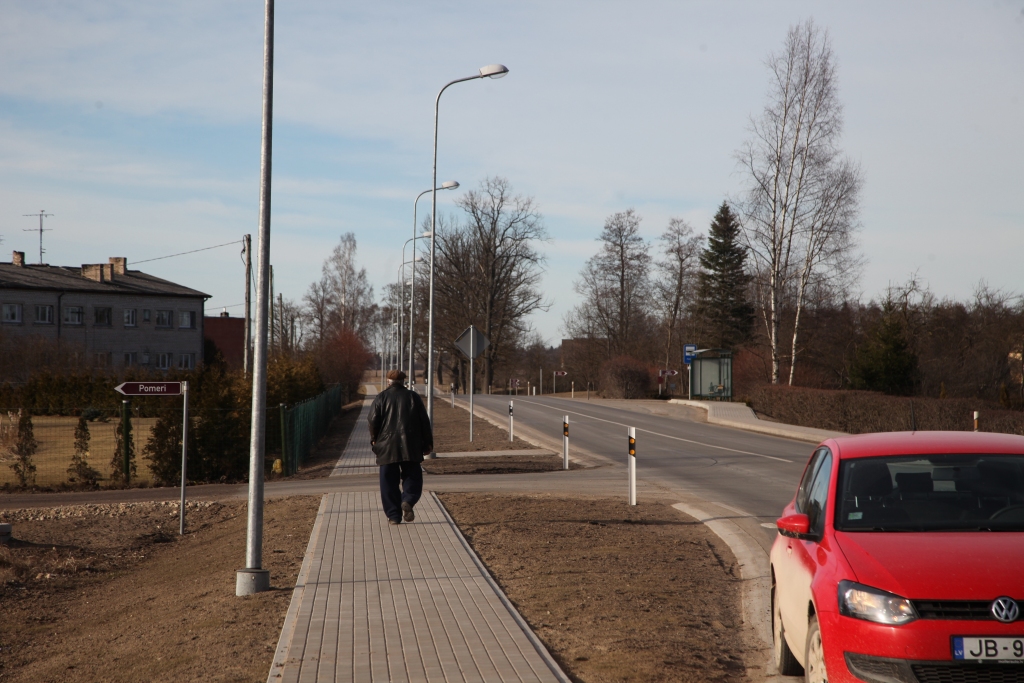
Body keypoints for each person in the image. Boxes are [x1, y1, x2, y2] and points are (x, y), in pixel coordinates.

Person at [367, 369, 433, 525]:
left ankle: (393, 516)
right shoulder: (413, 397)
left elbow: (372, 421)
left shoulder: (381, 397)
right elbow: (424, 422)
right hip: (411, 445)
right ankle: (408, 499)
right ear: (403, 382)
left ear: (388, 381)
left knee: (388, 481)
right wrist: (428, 443)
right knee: (413, 476)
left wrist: (374, 440)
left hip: (386, 445)